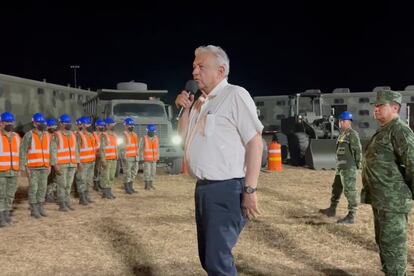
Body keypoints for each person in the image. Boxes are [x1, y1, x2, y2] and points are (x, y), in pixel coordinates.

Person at [175, 45, 263, 275]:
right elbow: (184, 139)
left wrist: (250, 190)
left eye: (201, 66)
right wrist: (184, 110)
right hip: (204, 189)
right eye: (194, 66)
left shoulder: (235, 95)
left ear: (221, 70)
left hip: (226, 190)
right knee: (207, 259)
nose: (194, 72)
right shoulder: (201, 103)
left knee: (217, 261)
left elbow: (255, 142)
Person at [361, 89, 414, 275]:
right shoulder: (385, 130)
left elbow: (412, 163)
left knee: (394, 247)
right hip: (382, 200)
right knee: (384, 243)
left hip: (393, 201)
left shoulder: (400, 130)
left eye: (380, 106)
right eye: (375, 106)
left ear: (394, 108)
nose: (375, 109)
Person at [319, 111, 362, 224]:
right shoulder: (342, 134)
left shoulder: (352, 134)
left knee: (350, 190)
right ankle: (332, 209)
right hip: (340, 167)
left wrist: (357, 165)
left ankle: (351, 215)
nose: (339, 123)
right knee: (336, 188)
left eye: (341, 121)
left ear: (344, 122)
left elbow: (358, 151)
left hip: (348, 167)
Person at [20, 113, 51, 219]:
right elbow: (23, 151)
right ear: (34, 123)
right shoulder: (29, 135)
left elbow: (49, 151)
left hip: (44, 166)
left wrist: (50, 165)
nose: (41, 124)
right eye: (39, 122)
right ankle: (34, 209)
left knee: (42, 188)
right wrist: (24, 167)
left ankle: (40, 207)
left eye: (43, 122)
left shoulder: (47, 135)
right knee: (34, 188)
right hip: (32, 167)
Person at [51, 114, 79, 212]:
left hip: (72, 164)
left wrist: (77, 162)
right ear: (61, 124)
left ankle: (67, 202)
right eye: (66, 123)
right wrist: (55, 164)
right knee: (62, 185)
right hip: (61, 165)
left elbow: (76, 150)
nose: (68, 124)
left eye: (69, 122)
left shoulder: (73, 135)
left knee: (68, 185)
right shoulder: (56, 135)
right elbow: (53, 151)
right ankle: (62, 204)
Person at [0, 112, 20, 227]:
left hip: (13, 170)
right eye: (7, 122)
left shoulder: (16, 136)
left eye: (11, 122)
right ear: (1, 123)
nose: (9, 124)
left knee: (10, 194)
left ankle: (6, 214)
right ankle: (1, 217)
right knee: (1, 194)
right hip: (1, 171)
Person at [75, 117, 96, 205]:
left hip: (91, 161)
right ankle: (82, 197)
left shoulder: (90, 135)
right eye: (87, 124)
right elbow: (77, 150)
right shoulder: (79, 135)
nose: (89, 126)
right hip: (83, 162)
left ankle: (87, 195)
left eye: (89, 124)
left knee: (89, 180)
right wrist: (78, 162)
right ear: (83, 125)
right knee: (81, 179)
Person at [99, 117, 118, 199]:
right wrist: (103, 161)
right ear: (107, 125)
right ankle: (105, 193)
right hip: (107, 159)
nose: (113, 126)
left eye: (114, 124)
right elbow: (102, 149)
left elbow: (116, 147)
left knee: (111, 176)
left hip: (113, 159)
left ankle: (109, 191)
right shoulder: (104, 135)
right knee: (105, 176)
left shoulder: (114, 135)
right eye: (112, 124)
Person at [121, 118, 139, 194]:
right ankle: (127, 188)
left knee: (134, 172)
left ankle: (131, 187)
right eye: (129, 125)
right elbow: (122, 147)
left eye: (132, 125)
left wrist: (138, 155)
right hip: (127, 157)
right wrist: (124, 156)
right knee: (127, 173)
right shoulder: (124, 135)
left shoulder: (135, 135)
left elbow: (136, 146)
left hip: (135, 156)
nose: (131, 126)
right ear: (125, 126)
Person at [139, 124, 159, 190]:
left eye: (153, 131)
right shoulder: (144, 138)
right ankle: (146, 186)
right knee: (147, 172)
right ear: (147, 131)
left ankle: (151, 184)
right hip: (146, 159)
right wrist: (141, 158)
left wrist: (157, 157)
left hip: (154, 159)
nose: (152, 132)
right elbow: (140, 149)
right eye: (150, 131)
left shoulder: (156, 138)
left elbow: (157, 149)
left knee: (153, 172)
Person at [45, 118, 58, 203]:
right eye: (51, 126)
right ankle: (48, 195)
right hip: (47, 162)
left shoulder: (56, 136)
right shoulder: (45, 136)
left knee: (54, 179)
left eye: (54, 126)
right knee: (48, 179)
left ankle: (52, 193)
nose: (53, 127)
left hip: (56, 161)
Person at [93, 119, 105, 192]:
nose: (102, 127)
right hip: (95, 155)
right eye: (101, 126)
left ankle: (99, 183)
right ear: (96, 126)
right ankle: (96, 184)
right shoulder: (93, 134)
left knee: (101, 170)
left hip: (102, 155)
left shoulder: (103, 135)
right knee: (96, 170)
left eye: (103, 126)